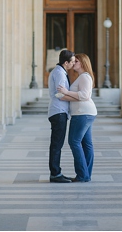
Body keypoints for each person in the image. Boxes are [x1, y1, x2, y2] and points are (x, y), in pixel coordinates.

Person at [57, 53, 98, 182]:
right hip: (85, 113)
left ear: (83, 63)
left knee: (74, 142)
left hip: (82, 113)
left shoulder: (85, 77)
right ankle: (86, 175)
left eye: (76, 61)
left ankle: (82, 175)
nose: (73, 63)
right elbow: (78, 96)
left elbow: (84, 96)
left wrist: (65, 93)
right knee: (86, 144)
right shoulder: (82, 77)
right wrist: (64, 96)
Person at [48, 49, 75, 183]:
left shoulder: (59, 71)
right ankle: (55, 174)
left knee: (57, 144)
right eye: (72, 62)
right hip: (58, 112)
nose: (74, 64)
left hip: (59, 111)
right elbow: (59, 94)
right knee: (56, 144)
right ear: (66, 63)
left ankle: (56, 172)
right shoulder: (59, 73)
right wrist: (76, 98)